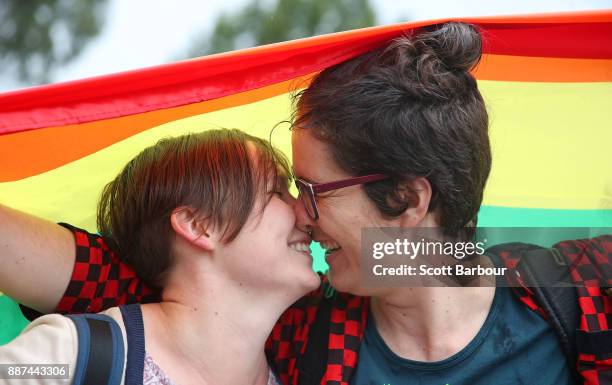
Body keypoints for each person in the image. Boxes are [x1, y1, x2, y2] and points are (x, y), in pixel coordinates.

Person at [1, 22, 609, 384]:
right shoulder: (302, 335)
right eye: (289, 191)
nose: (301, 213)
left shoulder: (576, 292)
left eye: (313, 190)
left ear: (406, 200)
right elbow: (123, 286)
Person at [0, 129, 320, 385]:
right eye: (278, 191)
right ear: (198, 225)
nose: (305, 213)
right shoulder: (68, 356)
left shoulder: (322, 353)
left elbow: (373, 255)